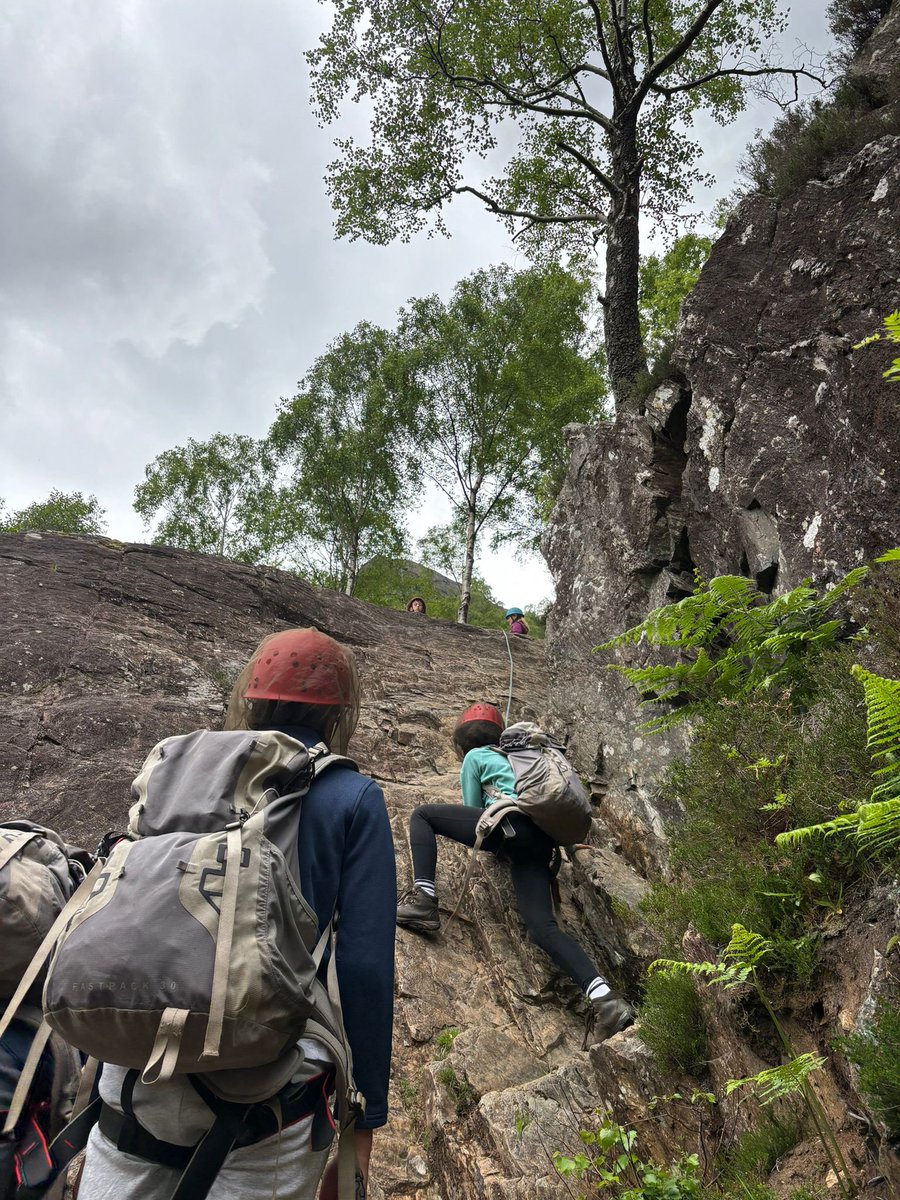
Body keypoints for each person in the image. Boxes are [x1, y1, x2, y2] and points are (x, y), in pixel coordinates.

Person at [77, 628, 396, 1200]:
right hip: (267, 1091)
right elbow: (365, 967)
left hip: (131, 1075)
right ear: (341, 711)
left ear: (250, 696)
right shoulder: (351, 795)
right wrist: (365, 1116)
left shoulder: (176, 767)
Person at [396, 704, 633, 1044]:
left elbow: (477, 811)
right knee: (542, 928)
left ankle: (424, 900)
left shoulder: (475, 757)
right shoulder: (527, 761)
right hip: (541, 844)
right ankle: (606, 1001)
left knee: (423, 816)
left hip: (509, 827)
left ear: (462, 740)